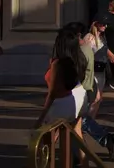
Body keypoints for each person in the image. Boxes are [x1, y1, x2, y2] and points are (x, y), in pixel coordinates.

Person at [63, 22, 114, 159]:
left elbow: (84, 73)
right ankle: (104, 141)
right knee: (80, 121)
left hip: (83, 90)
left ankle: (80, 155)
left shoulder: (83, 48)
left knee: (76, 122)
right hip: (86, 89)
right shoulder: (84, 46)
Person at [35, 28, 88, 162]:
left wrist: (41, 118)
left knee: (47, 139)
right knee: (76, 134)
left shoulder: (58, 64)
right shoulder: (79, 58)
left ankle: (48, 164)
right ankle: (82, 163)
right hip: (79, 96)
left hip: (62, 101)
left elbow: (52, 93)